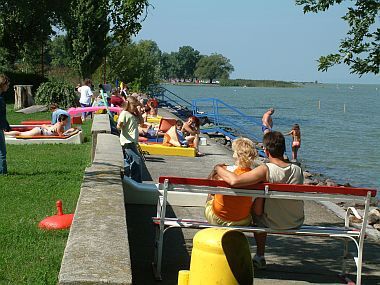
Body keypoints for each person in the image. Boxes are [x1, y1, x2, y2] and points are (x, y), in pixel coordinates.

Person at [211, 131, 304, 269]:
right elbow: (290, 164)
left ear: (266, 151)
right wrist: (295, 152)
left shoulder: (265, 169)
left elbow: (234, 181)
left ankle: (260, 256)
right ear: (283, 149)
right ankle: (259, 256)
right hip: (296, 221)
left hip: (271, 223)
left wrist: (218, 168)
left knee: (256, 213)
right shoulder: (297, 169)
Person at [205, 137, 257, 226]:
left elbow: (209, 186)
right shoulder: (255, 176)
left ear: (235, 155)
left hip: (218, 218)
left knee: (211, 194)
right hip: (242, 220)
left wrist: (217, 168)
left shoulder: (225, 170)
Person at [117, 96, 145, 183]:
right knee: (136, 160)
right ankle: (135, 180)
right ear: (128, 105)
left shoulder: (132, 115)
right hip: (127, 141)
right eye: (134, 106)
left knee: (133, 160)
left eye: (136, 106)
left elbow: (141, 122)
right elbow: (119, 126)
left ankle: (132, 179)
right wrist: (120, 125)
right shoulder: (124, 113)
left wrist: (137, 111)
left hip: (132, 141)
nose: (135, 108)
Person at [5, 114, 75, 137]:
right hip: (39, 131)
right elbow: (61, 136)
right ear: (62, 120)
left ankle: (5, 133)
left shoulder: (58, 124)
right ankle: (5, 133)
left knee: (21, 133)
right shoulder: (59, 125)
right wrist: (71, 131)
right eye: (66, 120)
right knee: (21, 134)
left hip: (40, 130)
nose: (67, 122)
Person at [0, 74, 11, 174]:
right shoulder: (0, 99)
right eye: (7, 84)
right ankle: (3, 172)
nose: (8, 86)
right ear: (2, 85)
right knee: (2, 152)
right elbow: (1, 115)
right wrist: (5, 126)